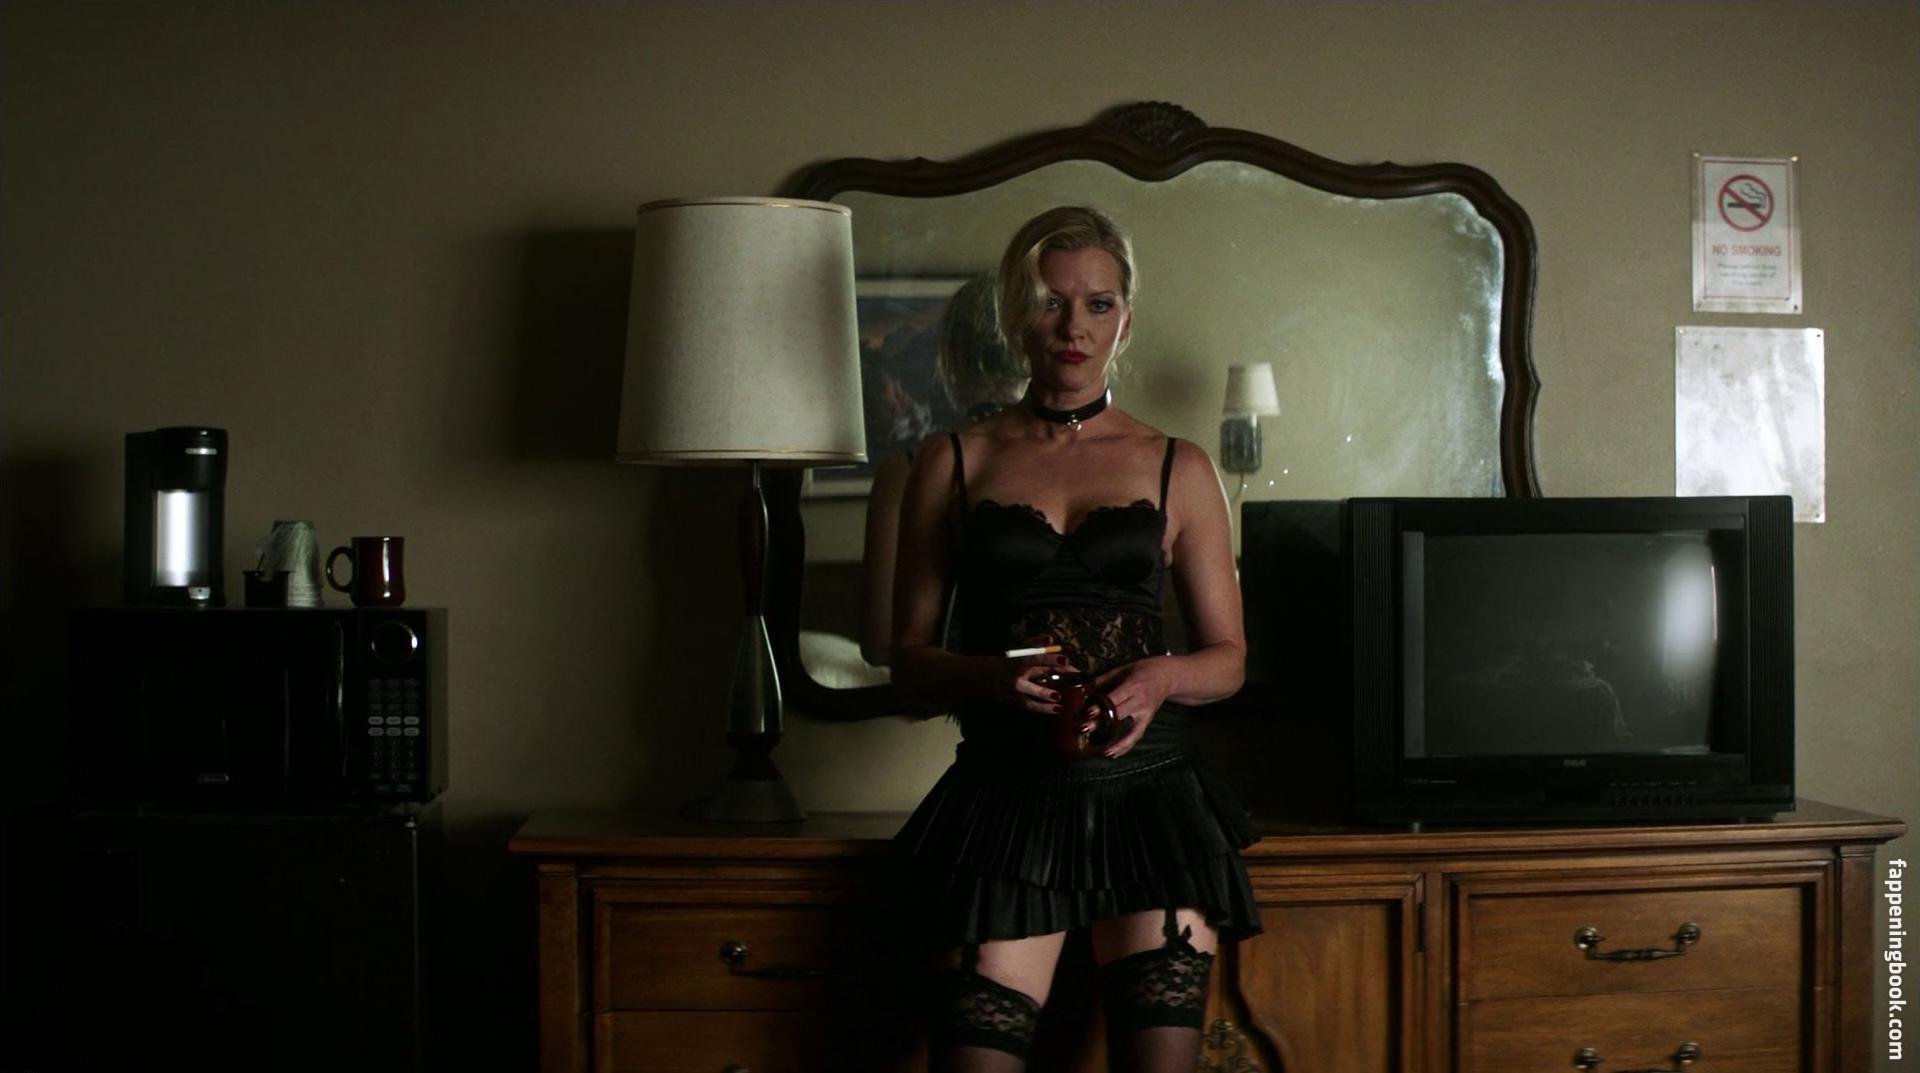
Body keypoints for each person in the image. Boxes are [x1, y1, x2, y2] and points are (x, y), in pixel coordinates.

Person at [889, 206, 1260, 1073]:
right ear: (1016, 316)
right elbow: (907, 659)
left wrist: (1159, 678)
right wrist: (989, 678)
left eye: (1098, 304)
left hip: (1151, 797)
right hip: (1005, 798)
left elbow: (1229, 660)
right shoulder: (952, 461)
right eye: (1051, 302)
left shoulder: (1178, 464)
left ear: (1125, 319)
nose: (1073, 327)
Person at [861, 274, 1029, 666]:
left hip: (946, 693)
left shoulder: (906, 471)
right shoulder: (1094, 459)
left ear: (948, 359)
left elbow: (880, 641)